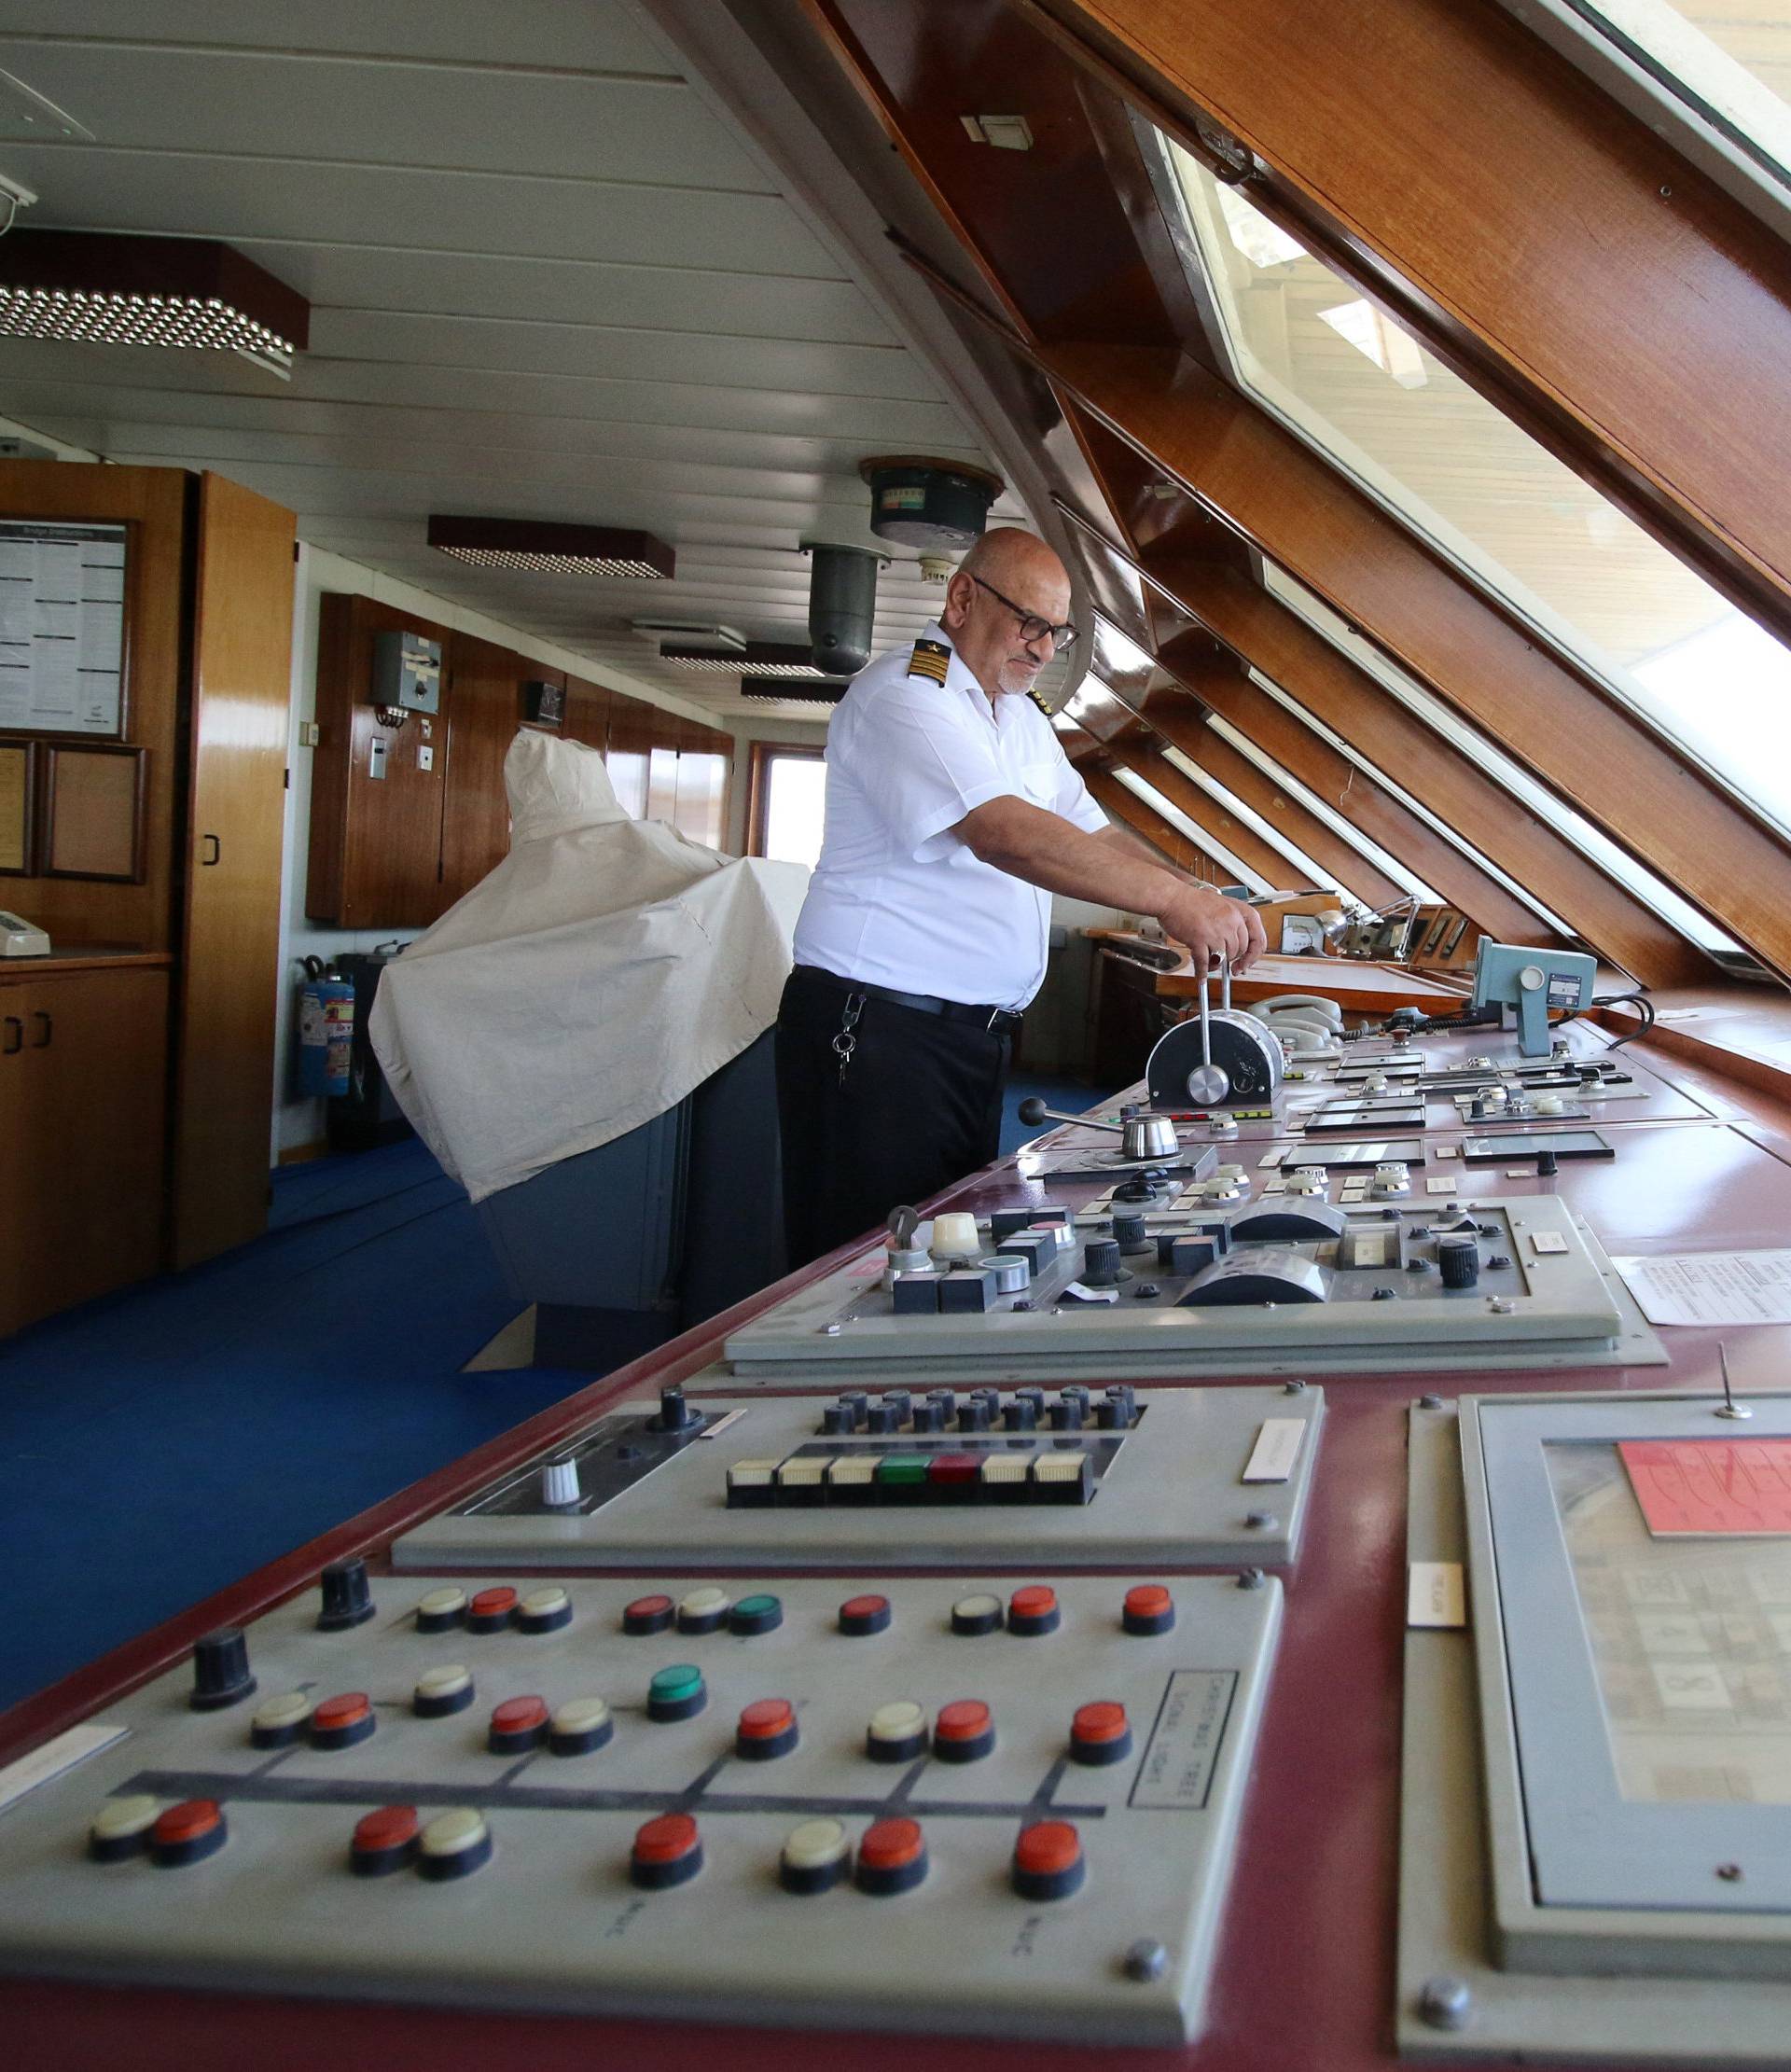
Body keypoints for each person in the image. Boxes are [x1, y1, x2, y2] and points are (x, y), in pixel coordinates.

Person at [775, 527, 1267, 1266]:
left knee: (945, 1262)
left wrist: (1198, 893)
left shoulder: (1017, 719)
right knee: (867, 1271)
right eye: (1029, 623)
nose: (1042, 649)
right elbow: (1003, 833)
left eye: (1057, 634)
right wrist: (1171, 903)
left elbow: (1087, 832)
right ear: (963, 597)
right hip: (877, 1036)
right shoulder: (906, 696)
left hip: (966, 1041)